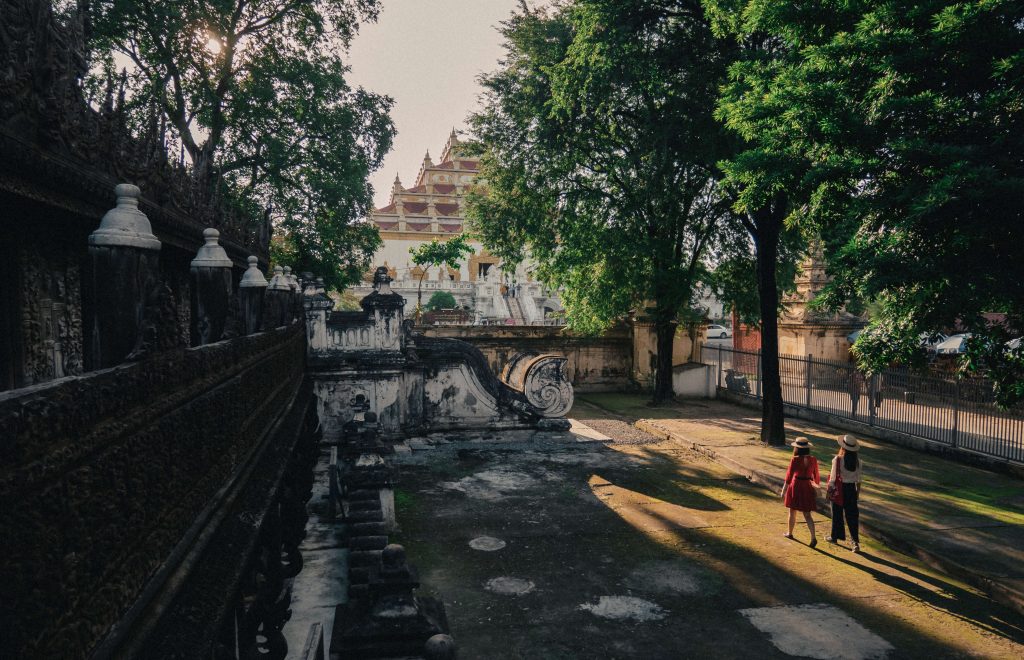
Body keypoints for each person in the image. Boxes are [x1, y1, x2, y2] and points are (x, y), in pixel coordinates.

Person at [826, 435, 864, 552]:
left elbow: (832, 479)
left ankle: (835, 536)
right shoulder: (858, 462)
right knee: (852, 516)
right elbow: (859, 480)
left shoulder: (837, 460)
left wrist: (828, 491)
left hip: (839, 489)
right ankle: (855, 542)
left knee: (837, 514)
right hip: (851, 489)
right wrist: (857, 493)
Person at [781, 437, 821, 547]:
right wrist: (815, 487)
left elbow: (788, 477)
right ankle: (813, 537)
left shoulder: (795, 459)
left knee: (792, 511)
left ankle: (790, 533)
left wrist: (783, 491)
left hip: (796, 485)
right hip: (807, 486)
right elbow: (816, 475)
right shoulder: (813, 459)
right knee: (807, 514)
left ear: (797, 448)